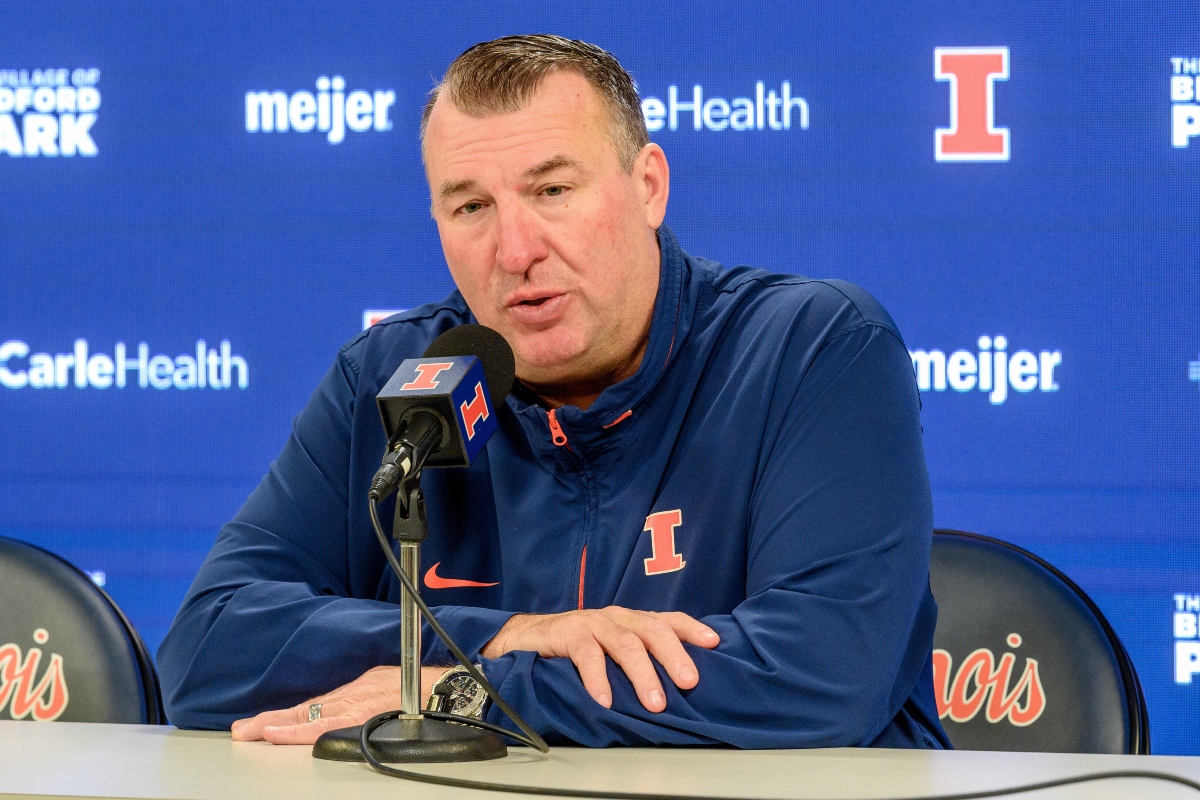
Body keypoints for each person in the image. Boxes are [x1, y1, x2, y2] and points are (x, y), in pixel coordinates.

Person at [157, 34, 951, 750]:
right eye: (470, 206)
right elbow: (204, 652)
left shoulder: (812, 348)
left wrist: (461, 694)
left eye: (552, 192)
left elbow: (820, 677)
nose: (514, 250)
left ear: (648, 186)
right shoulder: (392, 374)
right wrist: (513, 637)